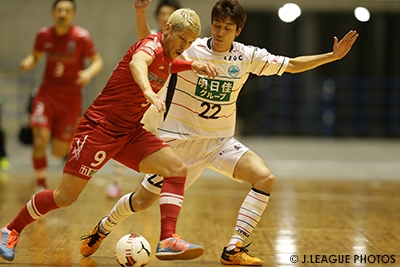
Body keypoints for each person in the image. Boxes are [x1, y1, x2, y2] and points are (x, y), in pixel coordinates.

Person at [81, 0, 359, 265]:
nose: (220, 32)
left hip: (220, 142)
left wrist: (331, 57)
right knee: (141, 201)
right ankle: (103, 228)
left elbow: (291, 64)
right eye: (217, 25)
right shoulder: (191, 49)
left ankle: (234, 248)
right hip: (180, 142)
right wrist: (141, 15)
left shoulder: (248, 56)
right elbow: (153, 50)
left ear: (238, 31)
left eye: (228, 28)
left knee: (265, 178)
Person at [0, 7, 219, 263]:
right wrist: (148, 91)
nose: (185, 46)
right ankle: (11, 229)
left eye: (191, 42)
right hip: (99, 129)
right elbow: (139, 63)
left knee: (176, 168)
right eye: (182, 39)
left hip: (129, 131)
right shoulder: (150, 47)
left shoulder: (169, 55)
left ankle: (168, 239)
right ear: (167, 30)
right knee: (65, 197)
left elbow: (170, 64)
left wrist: (193, 63)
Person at [19, 0, 103, 193]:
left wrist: (88, 73)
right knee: (39, 140)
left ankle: (57, 133)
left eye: (67, 11)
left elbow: (97, 61)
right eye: (59, 10)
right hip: (46, 94)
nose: (62, 14)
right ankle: (40, 185)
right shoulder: (43, 35)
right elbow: (35, 56)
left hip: (70, 99)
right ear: (53, 13)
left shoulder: (82, 37)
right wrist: (27, 63)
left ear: (72, 15)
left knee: (58, 151)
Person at [106, 0, 183, 199]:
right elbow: (143, 44)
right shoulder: (155, 40)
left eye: (170, 14)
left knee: (157, 144)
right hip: (145, 96)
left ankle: (146, 184)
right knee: (124, 136)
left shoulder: (183, 42)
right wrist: (140, 12)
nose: (166, 17)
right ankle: (116, 183)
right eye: (163, 13)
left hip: (167, 100)